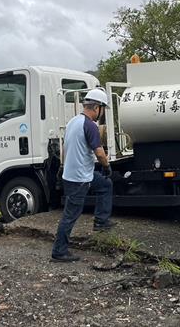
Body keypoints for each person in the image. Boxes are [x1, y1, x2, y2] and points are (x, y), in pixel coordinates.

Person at [51, 88, 114, 262]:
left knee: (105, 185)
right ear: (97, 107)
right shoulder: (90, 125)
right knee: (70, 215)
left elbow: (66, 148)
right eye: (102, 110)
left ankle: (101, 221)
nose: (101, 114)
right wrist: (107, 166)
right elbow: (100, 153)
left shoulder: (73, 121)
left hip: (77, 174)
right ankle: (59, 251)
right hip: (79, 178)